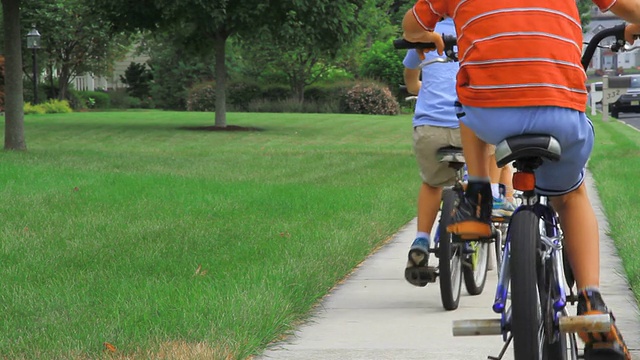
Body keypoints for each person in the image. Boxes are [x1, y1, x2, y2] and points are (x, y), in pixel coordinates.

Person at [402, 0, 639, 358]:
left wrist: (429, 37)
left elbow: (410, 28)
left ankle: (479, 197)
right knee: (572, 196)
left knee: (464, 105)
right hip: (561, 114)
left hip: (490, 116)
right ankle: (592, 303)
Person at [402, 17, 515, 287]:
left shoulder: (424, 34)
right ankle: (496, 196)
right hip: (468, 124)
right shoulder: (483, 27)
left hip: (429, 127)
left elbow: (410, 83)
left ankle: (421, 238)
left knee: (431, 183)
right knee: (491, 142)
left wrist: (425, 89)